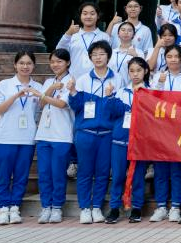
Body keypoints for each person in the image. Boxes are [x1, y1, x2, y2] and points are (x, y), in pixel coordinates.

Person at [67, 40, 121, 224]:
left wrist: (110, 97)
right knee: (84, 172)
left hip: (107, 134)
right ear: (90, 57)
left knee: (103, 172)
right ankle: (85, 208)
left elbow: (119, 109)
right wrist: (73, 92)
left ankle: (97, 207)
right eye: (94, 54)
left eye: (102, 54)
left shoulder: (118, 78)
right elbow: (76, 107)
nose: (98, 57)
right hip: (85, 133)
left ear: (108, 56)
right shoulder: (83, 79)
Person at [103, 57, 149, 224]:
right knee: (117, 176)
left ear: (145, 71)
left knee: (138, 176)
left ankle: (137, 207)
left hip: (140, 143)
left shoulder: (151, 92)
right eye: (132, 71)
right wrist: (109, 97)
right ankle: (115, 207)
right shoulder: (122, 91)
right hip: (120, 141)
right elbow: (112, 112)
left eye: (139, 70)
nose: (135, 74)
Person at [0, 51, 42, 225]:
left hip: (27, 138)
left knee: (21, 175)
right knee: (3, 174)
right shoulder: (5, 85)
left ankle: (15, 207)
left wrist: (37, 94)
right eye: (22, 63)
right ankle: (3, 207)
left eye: (29, 63)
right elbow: (1, 109)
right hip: (6, 137)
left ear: (33, 66)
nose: (25, 66)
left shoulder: (38, 87)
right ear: (15, 65)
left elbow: (39, 112)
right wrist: (16, 96)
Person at [149, 45, 181, 223]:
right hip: (160, 130)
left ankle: (176, 206)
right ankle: (161, 206)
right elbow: (150, 100)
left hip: (179, 129)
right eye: (169, 56)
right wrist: (159, 84)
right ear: (165, 59)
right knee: (161, 170)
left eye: (176, 56)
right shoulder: (158, 76)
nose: (173, 59)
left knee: (177, 170)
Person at [34, 49, 74, 224]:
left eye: (59, 61)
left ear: (68, 63)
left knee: (58, 173)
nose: (55, 65)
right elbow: (41, 104)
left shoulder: (72, 81)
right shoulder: (49, 82)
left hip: (62, 135)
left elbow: (62, 103)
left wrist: (42, 95)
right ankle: (46, 207)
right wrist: (49, 89)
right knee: (44, 173)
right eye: (52, 62)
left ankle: (57, 207)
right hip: (44, 134)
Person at [57, 1, 111, 77]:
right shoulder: (73, 35)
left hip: (98, 78)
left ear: (98, 16)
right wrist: (68, 33)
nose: (88, 16)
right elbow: (59, 51)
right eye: (85, 14)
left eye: (92, 14)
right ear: (80, 16)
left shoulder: (104, 37)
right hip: (74, 78)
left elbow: (110, 59)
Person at [110, 21, 143, 87]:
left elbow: (143, 71)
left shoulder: (139, 52)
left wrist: (135, 56)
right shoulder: (112, 53)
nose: (126, 32)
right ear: (118, 34)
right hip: (112, 88)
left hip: (131, 88)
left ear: (134, 35)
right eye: (123, 30)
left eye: (129, 30)